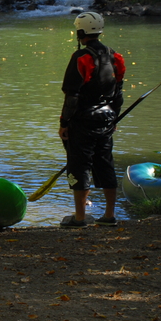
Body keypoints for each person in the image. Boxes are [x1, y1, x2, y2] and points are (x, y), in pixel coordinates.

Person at [58, 12, 126, 228]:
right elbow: (118, 94)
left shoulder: (81, 58)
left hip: (83, 120)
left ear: (80, 33)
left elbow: (72, 96)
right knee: (105, 163)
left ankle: (80, 217)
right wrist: (113, 118)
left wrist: (63, 124)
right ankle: (109, 215)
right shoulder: (116, 57)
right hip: (106, 118)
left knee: (79, 166)